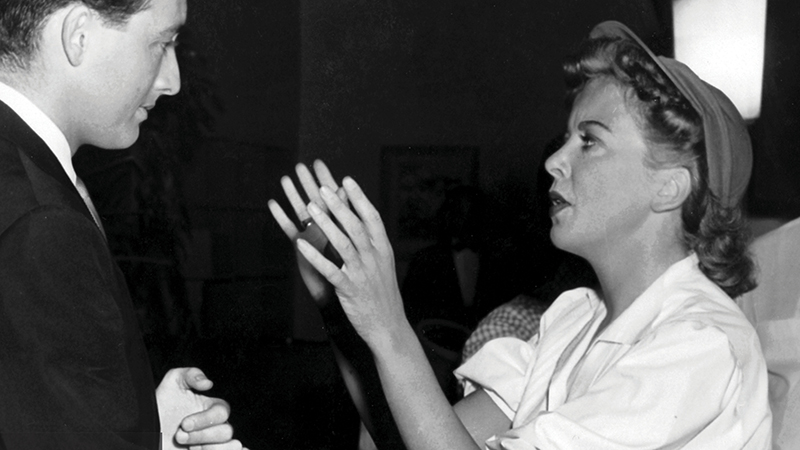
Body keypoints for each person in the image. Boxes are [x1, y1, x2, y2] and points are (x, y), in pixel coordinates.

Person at [272, 20, 772, 449]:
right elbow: (417, 438)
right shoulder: (573, 319)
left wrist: (389, 327)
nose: (554, 161)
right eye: (567, 138)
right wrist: (341, 307)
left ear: (669, 186)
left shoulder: (700, 344)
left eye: (589, 141)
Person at [0, 1, 244, 449]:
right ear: (79, 36)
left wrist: (139, 427)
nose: (173, 81)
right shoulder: (45, 226)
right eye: (161, 43)